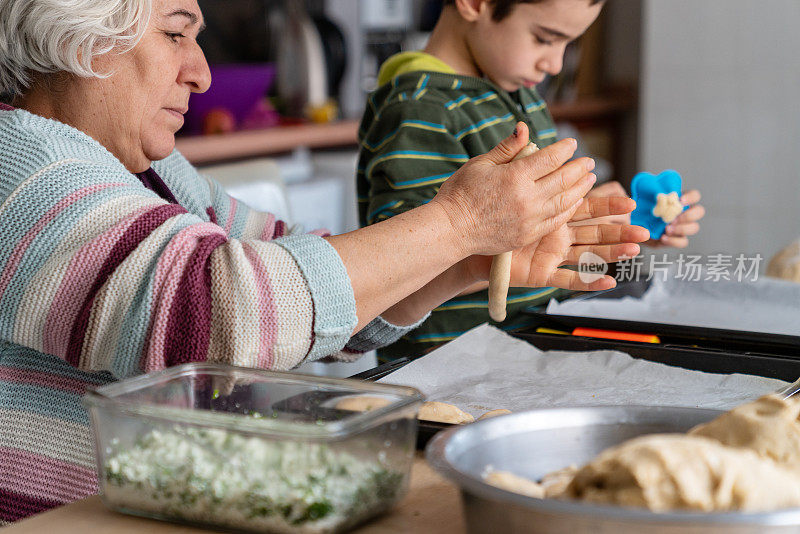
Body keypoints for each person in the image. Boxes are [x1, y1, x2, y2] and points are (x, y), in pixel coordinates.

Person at [0, 0, 647, 523]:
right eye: (177, 34)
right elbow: (213, 318)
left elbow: (301, 286)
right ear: (80, 34)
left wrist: (467, 261)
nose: (200, 72)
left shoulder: (153, 167)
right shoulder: (19, 164)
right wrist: (454, 224)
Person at [357, 0, 706, 360]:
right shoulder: (420, 110)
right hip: (457, 365)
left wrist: (624, 222)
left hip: (533, 348)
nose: (554, 64)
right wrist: (553, 227)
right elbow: (398, 275)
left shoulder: (517, 93)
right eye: (544, 38)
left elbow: (546, 231)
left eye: (569, 44)